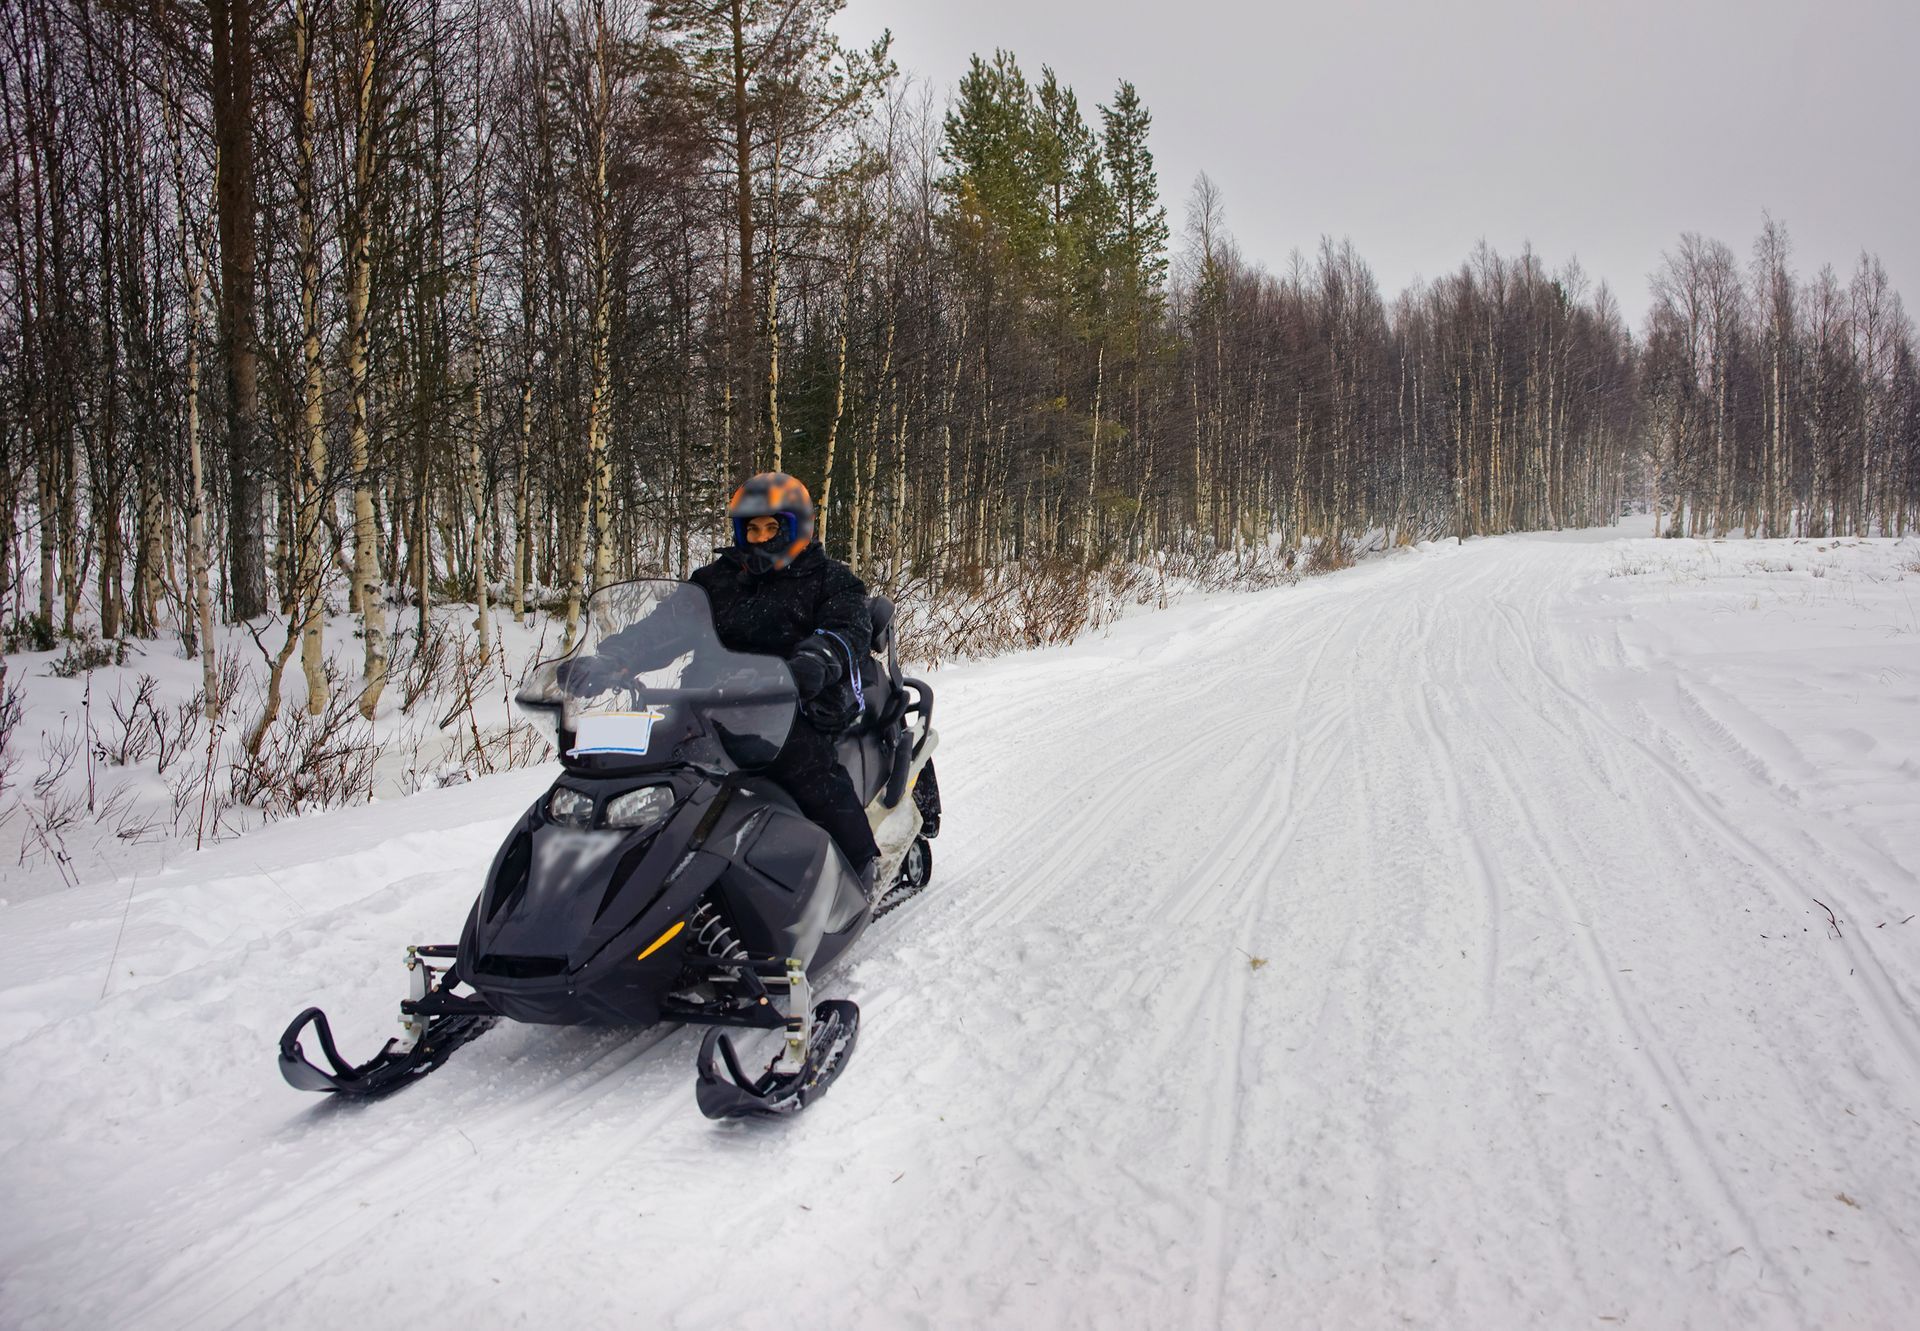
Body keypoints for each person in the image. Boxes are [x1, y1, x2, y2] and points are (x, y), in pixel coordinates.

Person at [567, 473, 880, 885]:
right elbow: (664, 626)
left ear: (798, 528)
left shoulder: (831, 580)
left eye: (773, 528)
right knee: (651, 771)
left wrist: (815, 660)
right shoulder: (717, 581)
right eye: (752, 528)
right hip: (707, 705)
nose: (761, 538)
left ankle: (860, 863)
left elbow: (844, 629)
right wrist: (615, 659)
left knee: (810, 771)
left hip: (793, 706)